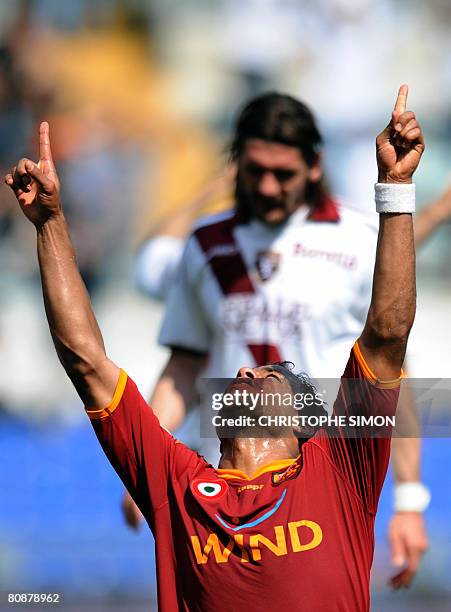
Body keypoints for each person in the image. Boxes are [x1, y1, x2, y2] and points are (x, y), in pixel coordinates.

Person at [6, 84, 424, 610]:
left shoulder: (336, 470)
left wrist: (396, 188)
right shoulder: (178, 485)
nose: (244, 374)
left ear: (300, 418)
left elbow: (389, 337)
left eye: (269, 376)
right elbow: (88, 360)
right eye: (257, 170)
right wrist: (50, 224)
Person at [127, 90, 431, 586]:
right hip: (222, 487)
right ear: (235, 166)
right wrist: (146, 462)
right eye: (255, 170)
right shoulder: (206, 244)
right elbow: (184, 365)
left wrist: (410, 498)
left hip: (327, 480)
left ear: (314, 166)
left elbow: (391, 371)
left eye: (284, 173)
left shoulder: (357, 238)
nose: (268, 186)